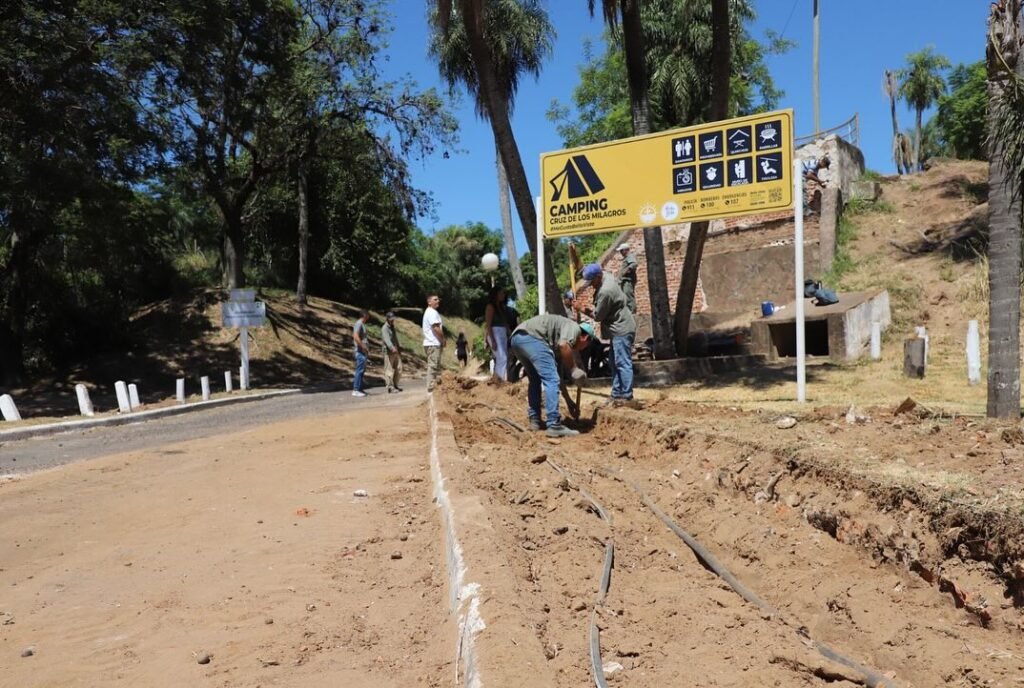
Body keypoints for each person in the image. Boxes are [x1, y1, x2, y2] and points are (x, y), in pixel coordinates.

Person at [509, 313, 593, 438]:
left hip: (517, 339)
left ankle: (535, 420)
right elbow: (564, 345)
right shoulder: (574, 328)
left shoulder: (557, 341)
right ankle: (554, 424)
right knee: (550, 379)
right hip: (533, 337)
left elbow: (558, 380)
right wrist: (574, 369)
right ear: (585, 338)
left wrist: (569, 402)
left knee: (535, 379)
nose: (581, 349)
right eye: (585, 346)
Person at [581, 263, 637, 406]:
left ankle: (627, 396)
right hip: (618, 329)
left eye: (592, 281)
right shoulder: (606, 276)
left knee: (622, 362)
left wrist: (581, 309)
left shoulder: (606, 291)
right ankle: (616, 393)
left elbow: (598, 316)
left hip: (621, 329)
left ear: (598, 276)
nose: (591, 285)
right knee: (614, 362)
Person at [484, 286, 511, 381]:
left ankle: (499, 379)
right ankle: (498, 380)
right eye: (501, 293)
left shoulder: (501, 307)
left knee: (503, 358)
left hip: (502, 334)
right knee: (502, 357)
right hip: (495, 334)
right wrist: (493, 340)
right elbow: (488, 325)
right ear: (496, 295)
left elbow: (505, 323)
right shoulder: (490, 307)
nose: (503, 295)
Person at [422, 294, 444, 393]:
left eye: (438, 299)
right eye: (435, 299)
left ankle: (433, 387)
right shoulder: (431, 312)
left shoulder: (431, 312)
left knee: (434, 366)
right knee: (433, 366)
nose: (437, 301)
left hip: (432, 343)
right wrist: (443, 338)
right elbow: (435, 327)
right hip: (433, 343)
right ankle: (431, 388)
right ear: (429, 302)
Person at [381, 311, 403, 393]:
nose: (392, 320)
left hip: (395, 350)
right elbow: (386, 339)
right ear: (387, 319)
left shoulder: (392, 327)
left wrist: (398, 346)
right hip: (388, 351)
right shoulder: (384, 328)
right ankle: (390, 387)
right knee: (389, 370)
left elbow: (395, 338)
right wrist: (391, 347)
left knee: (399, 368)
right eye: (390, 319)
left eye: (393, 319)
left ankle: (395, 384)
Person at [352, 310, 370, 397]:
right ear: (364, 315)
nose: (369, 316)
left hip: (363, 351)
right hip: (360, 351)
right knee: (359, 370)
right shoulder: (358, 323)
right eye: (368, 315)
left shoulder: (362, 324)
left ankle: (359, 388)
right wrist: (362, 346)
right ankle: (356, 390)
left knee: (362, 370)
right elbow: (355, 336)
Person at [616, 243, 638, 313]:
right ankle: (629, 312)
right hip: (624, 281)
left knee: (628, 297)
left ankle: (632, 312)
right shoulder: (626, 258)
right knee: (626, 297)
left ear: (626, 250)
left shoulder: (629, 256)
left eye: (621, 250)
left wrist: (627, 271)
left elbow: (634, 264)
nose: (621, 252)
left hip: (627, 281)